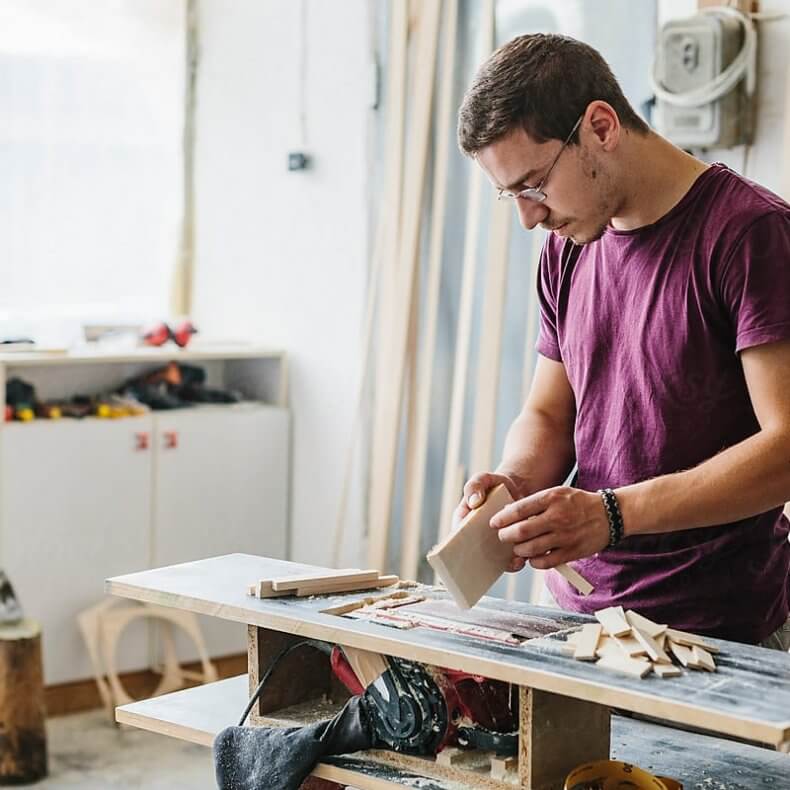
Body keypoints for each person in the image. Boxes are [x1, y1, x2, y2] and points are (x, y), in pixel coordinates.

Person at [453, 33, 790, 648]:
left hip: (720, 633)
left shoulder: (750, 235)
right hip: (580, 621)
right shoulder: (567, 250)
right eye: (512, 196)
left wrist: (611, 514)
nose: (529, 217)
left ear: (601, 128)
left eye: (534, 185)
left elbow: (787, 447)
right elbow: (549, 412)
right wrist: (516, 487)